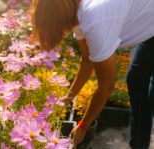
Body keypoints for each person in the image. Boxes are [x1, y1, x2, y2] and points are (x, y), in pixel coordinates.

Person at [31, 0, 154, 148]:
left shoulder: (95, 21)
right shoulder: (77, 13)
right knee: (137, 81)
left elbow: (107, 85)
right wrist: (69, 97)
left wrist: (83, 126)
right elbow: (87, 58)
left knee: (149, 91)